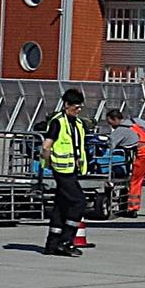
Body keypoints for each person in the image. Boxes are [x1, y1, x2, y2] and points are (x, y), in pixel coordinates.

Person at [39, 88, 89, 257]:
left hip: (72, 169)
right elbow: (46, 146)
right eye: (76, 107)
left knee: (62, 205)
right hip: (61, 170)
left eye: (81, 107)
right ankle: (66, 241)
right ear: (66, 105)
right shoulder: (57, 122)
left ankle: (52, 244)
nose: (79, 110)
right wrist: (48, 161)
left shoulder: (78, 123)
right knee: (79, 202)